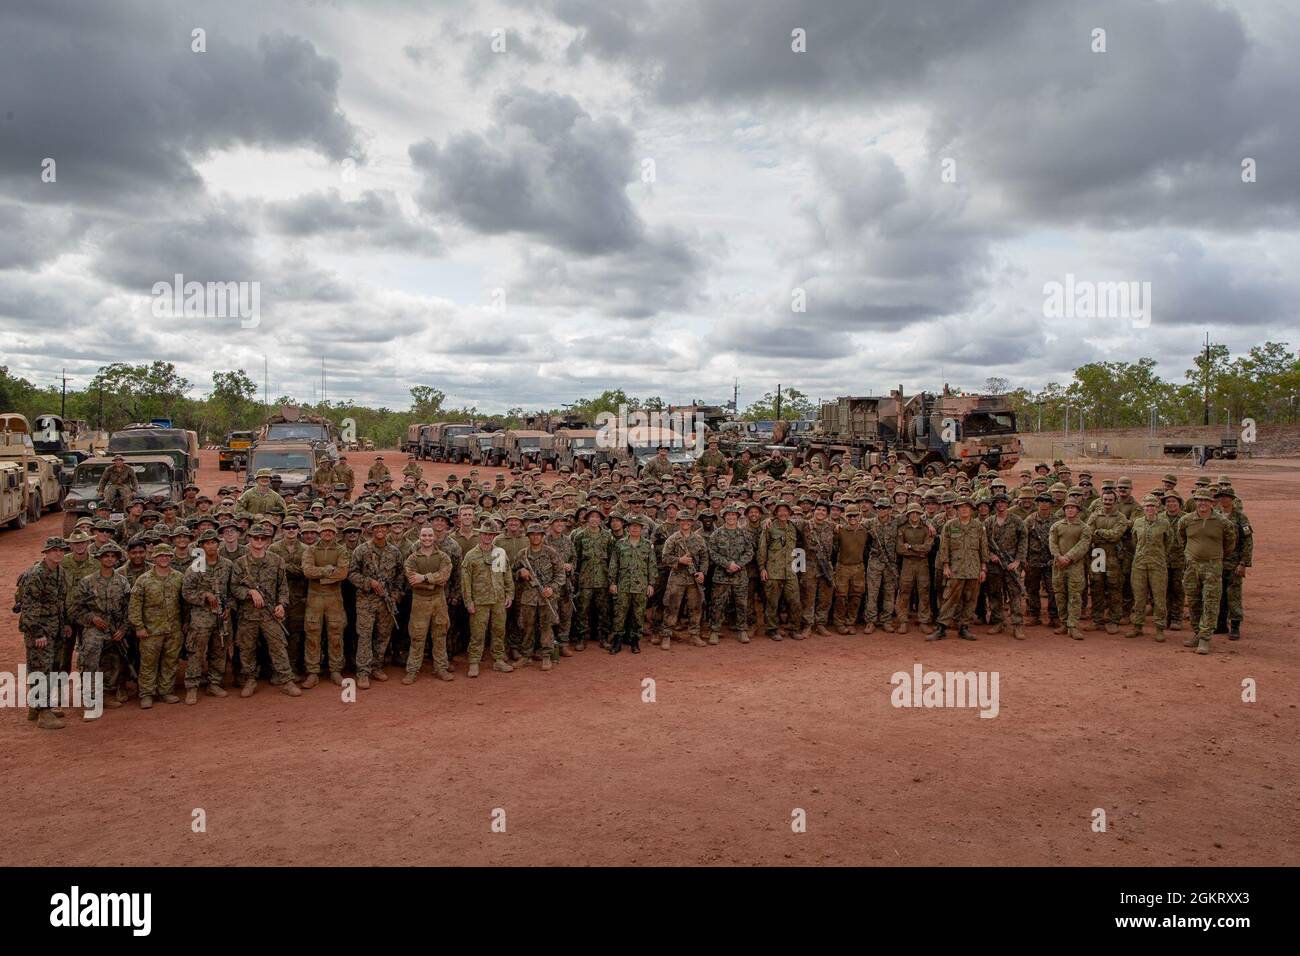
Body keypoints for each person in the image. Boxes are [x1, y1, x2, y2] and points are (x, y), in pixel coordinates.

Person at [18, 537, 71, 729]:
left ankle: (37, 707)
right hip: (39, 631)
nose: (58, 553)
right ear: (46, 553)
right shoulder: (36, 574)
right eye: (54, 550)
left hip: (54, 629)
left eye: (61, 550)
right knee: (41, 670)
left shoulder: (60, 572)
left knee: (52, 668)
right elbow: (30, 607)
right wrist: (38, 633)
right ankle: (43, 712)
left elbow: (60, 603)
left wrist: (64, 624)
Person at [128, 543, 186, 708]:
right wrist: (139, 627)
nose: (164, 559)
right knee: (148, 663)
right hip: (151, 631)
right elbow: (135, 606)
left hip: (173, 629)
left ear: (171, 557)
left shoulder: (179, 578)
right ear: (154, 558)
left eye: (167, 556)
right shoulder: (144, 580)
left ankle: (166, 691)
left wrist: (185, 623)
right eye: (160, 556)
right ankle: (146, 694)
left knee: (170, 661)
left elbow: (185, 604)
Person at [929, 497, 988, 641]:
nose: (964, 509)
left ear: (972, 510)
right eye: (961, 507)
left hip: (973, 569)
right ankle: (942, 627)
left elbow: (983, 548)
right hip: (955, 569)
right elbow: (944, 548)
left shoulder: (978, 526)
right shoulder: (950, 525)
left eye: (967, 507)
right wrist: (946, 566)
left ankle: (964, 628)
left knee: (970, 599)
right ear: (956, 509)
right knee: (949, 598)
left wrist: (983, 568)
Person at [461, 519, 515, 676]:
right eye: (485, 534)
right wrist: (468, 601)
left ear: (494, 536)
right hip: (479, 601)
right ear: (480, 535)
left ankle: (498, 660)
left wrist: (509, 594)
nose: (487, 537)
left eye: (491, 535)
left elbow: (507, 576)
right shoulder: (471, 556)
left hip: (498, 599)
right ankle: (474, 662)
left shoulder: (499, 553)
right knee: (477, 633)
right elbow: (466, 581)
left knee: (499, 631)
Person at [403, 525, 453, 683]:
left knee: (440, 634)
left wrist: (424, 578)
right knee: (417, 636)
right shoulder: (412, 558)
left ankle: (441, 668)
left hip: (439, 600)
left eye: (430, 535)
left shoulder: (443, 556)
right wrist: (432, 582)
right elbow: (411, 580)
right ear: (419, 537)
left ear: (434, 537)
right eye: (424, 535)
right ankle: (412, 670)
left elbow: (444, 576)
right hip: (420, 601)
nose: (427, 538)